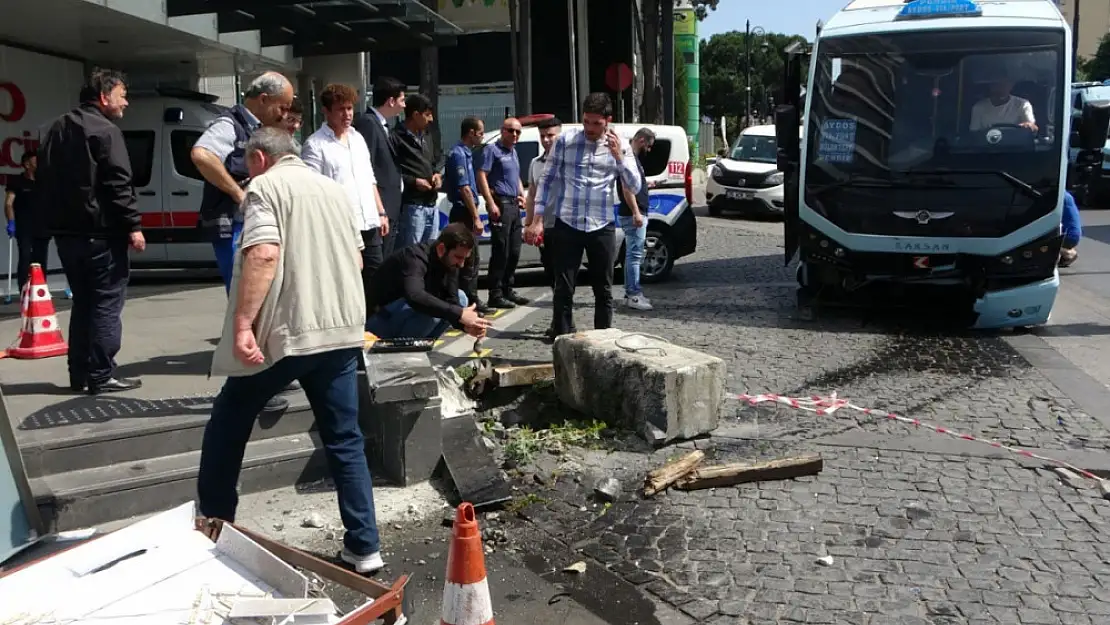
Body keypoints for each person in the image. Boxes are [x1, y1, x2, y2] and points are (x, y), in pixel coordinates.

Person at [197, 127, 385, 574]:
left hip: (287, 332)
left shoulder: (264, 187)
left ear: (260, 158)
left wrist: (244, 324)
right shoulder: (333, 190)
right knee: (344, 439)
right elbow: (357, 259)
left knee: (228, 424)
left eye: (246, 161)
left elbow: (263, 253)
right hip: (339, 331)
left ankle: (214, 526)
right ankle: (365, 547)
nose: (245, 169)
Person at [37, 68, 145, 394]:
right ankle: (101, 373)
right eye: (122, 94)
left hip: (66, 236)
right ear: (104, 95)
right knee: (106, 303)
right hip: (101, 234)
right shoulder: (107, 131)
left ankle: (80, 373)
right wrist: (133, 226)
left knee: (83, 303)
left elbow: (43, 180)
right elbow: (118, 184)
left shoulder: (54, 129)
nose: (126, 102)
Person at [525, 93, 641, 340]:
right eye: (586, 121)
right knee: (563, 288)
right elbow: (546, 180)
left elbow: (635, 185)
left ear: (608, 120)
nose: (590, 128)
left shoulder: (620, 145)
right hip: (569, 224)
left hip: (602, 225)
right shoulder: (566, 141)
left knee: (604, 290)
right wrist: (536, 219)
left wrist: (619, 158)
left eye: (596, 123)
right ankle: (565, 344)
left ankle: (603, 346)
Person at [190, 72, 294, 293]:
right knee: (245, 293)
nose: (285, 115)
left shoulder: (261, 129)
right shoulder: (229, 124)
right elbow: (202, 155)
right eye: (282, 107)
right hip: (233, 226)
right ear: (264, 99)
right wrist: (239, 194)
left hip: (254, 223)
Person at [302, 83, 389, 303]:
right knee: (347, 280)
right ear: (326, 111)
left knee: (375, 276)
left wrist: (380, 212)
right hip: (340, 225)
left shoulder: (357, 138)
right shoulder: (315, 145)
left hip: (368, 221)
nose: (347, 114)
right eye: (341, 109)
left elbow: (369, 179)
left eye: (350, 108)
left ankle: (371, 326)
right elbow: (313, 191)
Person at [365, 223, 492, 341]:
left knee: (461, 298)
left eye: (465, 258)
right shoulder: (414, 257)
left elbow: (452, 299)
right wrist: (459, 313)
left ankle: (421, 346)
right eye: (459, 257)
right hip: (381, 319)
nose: (461, 264)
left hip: (404, 314)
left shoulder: (450, 261)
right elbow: (415, 296)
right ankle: (404, 349)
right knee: (431, 307)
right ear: (442, 249)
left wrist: (465, 325)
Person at [478, 117, 529, 309]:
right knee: (501, 250)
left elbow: (515, 176)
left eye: (518, 132)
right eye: (511, 131)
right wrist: (490, 203)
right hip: (501, 203)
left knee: (514, 251)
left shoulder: (513, 151)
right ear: (502, 131)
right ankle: (495, 293)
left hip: (514, 205)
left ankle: (508, 288)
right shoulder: (492, 150)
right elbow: (482, 175)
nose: (514, 135)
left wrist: (521, 194)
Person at [354, 76, 406, 257]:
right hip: (380, 206)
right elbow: (366, 166)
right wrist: (379, 208)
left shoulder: (384, 126)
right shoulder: (368, 124)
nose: (404, 105)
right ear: (391, 101)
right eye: (402, 100)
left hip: (390, 206)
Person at [523, 116, 562, 338]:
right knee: (552, 278)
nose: (547, 140)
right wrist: (529, 224)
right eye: (543, 136)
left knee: (563, 279)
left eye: (551, 135)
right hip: (543, 228)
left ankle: (563, 324)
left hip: (564, 227)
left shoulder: (567, 163)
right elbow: (532, 195)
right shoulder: (536, 164)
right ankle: (560, 323)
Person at [445, 116, 489, 313]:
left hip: (466, 211)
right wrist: (476, 217)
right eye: (480, 133)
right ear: (471, 132)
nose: (481, 137)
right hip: (464, 212)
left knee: (471, 259)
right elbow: (465, 189)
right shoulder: (459, 155)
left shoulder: (466, 154)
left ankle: (469, 298)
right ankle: (467, 300)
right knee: (467, 259)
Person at [391, 93, 443, 247]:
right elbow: (391, 172)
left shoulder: (427, 136)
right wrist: (413, 182)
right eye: (427, 115)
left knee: (430, 253)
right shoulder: (395, 137)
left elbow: (434, 165)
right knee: (411, 254)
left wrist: (437, 176)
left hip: (432, 205)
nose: (431, 119)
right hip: (412, 207)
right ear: (415, 115)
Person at [618, 128, 656, 312]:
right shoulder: (628, 158)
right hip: (634, 213)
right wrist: (636, 212)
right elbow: (627, 187)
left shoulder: (632, 158)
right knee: (635, 255)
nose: (649, 150)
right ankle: (633, 294)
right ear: (641, 140)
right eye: (648, 145)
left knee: (632, 255)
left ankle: (631, 293)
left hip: (634, 211)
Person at [4, 152, 50, 293]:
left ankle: (40, 291)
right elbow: (8, 204)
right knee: (25, 258)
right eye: (35, 162)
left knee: (41, 260)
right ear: (27, 165)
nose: (38, 165)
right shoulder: (17, 182)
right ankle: (24, 290)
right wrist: (11, 222)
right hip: (24, 227)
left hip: (42, 227)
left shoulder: (43, 182)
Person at [970, 78, 1037, 133]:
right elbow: (974, 134)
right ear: (991, 85)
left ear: (1011, 85)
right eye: (997, 84)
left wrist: (1029, 126)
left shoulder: (1023, 104)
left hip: (1015, 145)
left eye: (1004, 84)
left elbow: (1032, 128)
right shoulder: (979, 107)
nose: (1000, 87)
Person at [1060, 190, 1081, 268]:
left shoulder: (1060, 197)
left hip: (1068, 235)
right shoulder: (1066, 195)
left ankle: (1068, 253)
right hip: (1073, 234)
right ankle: (1064, 252)